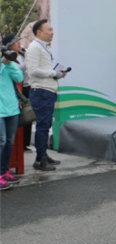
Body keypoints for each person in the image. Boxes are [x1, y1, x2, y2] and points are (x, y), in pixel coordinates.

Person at [26, 19, 68, 171]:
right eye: (49, 30)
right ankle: (39, 160)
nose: (52, 32)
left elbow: (43, 70)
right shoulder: (34, 47)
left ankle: (43, 155)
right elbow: (33, 71)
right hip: (41, 92)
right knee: (43, 126)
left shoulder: (43, 47)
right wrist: (53, 73)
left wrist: (57, 74)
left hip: (47, 91)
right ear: (39, 32)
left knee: (45, 125)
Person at [0, 43, 23, 190]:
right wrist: (3, 64)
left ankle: (4, 171)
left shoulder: (7, 62)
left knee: (9, 142)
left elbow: (19, 77)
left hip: (12, 109)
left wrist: (9, 63)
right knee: (1, 141)